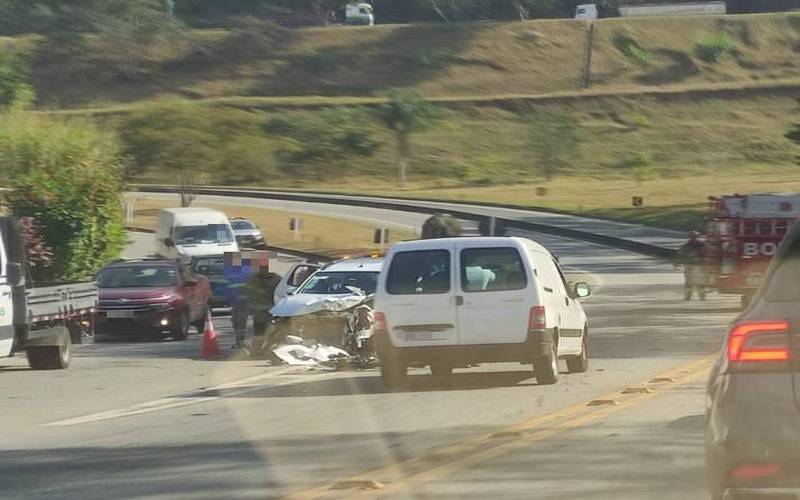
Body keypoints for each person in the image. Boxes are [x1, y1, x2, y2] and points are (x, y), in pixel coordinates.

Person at [676, 230, 707, 301]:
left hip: (700, 265)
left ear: (698, 237)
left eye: (695, 237)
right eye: (692, 237)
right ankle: (687, 296)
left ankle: (702, 296)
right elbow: (680, 255)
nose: (694, 238)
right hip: (689, 265)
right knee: (689, 281)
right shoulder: (685, 246)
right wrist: (677, 262)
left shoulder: (703, 245)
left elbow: (708, 254)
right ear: (689, 237)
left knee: (701, 281)